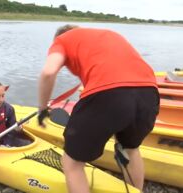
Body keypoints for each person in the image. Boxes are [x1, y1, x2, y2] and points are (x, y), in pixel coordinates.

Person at [37, 25, 159, 193]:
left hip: (109, 94)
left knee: (72, 163)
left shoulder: (62, 40)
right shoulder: (109, 34)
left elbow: (48, 72)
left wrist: (43, 108)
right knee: (130, 148)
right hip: (149, 93)